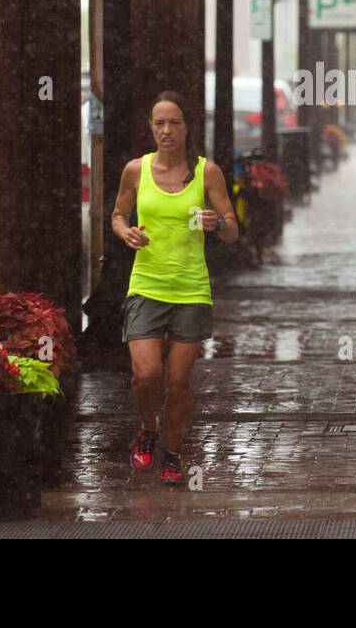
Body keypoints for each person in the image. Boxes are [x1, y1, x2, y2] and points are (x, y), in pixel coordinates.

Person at [110, 90, 238, 486]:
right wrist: (125, 232)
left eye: (175, 122)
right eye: (159, 123)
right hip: (147, 286)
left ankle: (172, 452)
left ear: (187, 127)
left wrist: (217, 222)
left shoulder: (207, 173)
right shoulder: (136, 170)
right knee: (146, 375)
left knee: (178, 382)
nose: (167, 130)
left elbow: (233, 231)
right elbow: (117, 213)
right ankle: (148, 427)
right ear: (151, 127)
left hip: (190, 290)